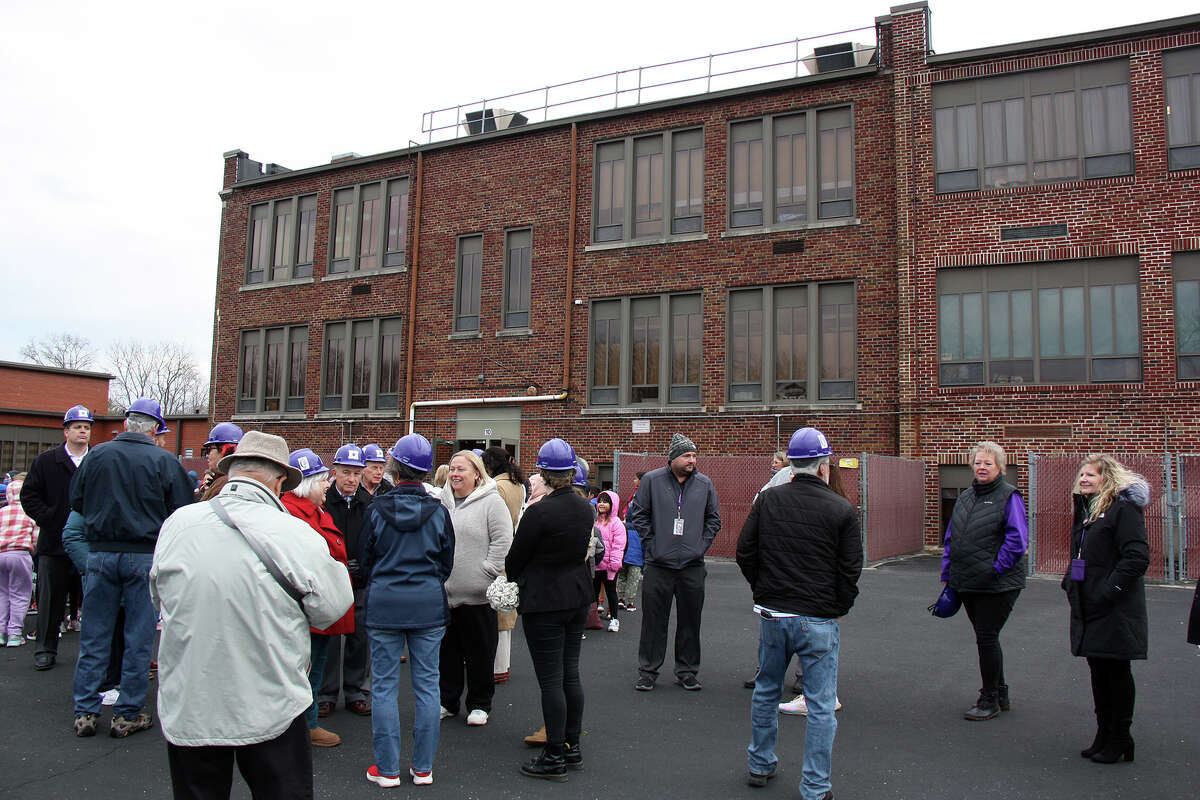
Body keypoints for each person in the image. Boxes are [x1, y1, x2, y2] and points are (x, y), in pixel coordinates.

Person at [151, 430, 354, 800]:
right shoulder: (297, 533)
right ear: (279, 480)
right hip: (271, 700)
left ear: (233, 471)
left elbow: (160, 596)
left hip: (191, 699)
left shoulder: (177, 524)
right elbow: (333, 606)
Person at [736, 427, 862, 798]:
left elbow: (746, 552)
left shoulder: (768, 501)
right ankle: (816, 785)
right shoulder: (842, 509)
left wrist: (764, 590)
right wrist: (838, 606)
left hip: (773, 615)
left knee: (765, 691)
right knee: (821, 706)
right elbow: (850, 569)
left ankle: (760, 763)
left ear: (791, 465)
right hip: (818, 619)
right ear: (824, 465)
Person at [70, 398, 194, 738]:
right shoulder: (164, 462)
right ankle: (127, 713)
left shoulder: (95, 456)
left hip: (100, 552)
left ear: (126, 424)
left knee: (94, 636)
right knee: (138, 637)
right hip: (143, 555)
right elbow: (182, 513)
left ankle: (86, 710)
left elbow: (77, 501)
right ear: (154, 428)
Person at [361, 434, 455, 788]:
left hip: (385, 605)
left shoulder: (376, 510)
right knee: (428, 686)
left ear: (395, 468)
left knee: (384, 687)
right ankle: (423, 768)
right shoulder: (439, 512)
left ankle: (386, 770)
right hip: (427, 605)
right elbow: (447, 561)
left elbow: (366, 559)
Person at [506, 438, 594, 781]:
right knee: (570, 674)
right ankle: (572, 746)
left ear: (542, 472)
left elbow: (515, 561)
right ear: (571, 472)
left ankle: (554, 754)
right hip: (575, 596)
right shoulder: (584, 508)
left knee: (551, 681)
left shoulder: (539, 512)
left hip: (544, 601)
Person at [1063, 454, 1150, 764]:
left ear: (1108, 478)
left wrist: (1107, 591)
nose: (1084, 479)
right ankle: (1104, 733)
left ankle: (1121, 737)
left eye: (1092, 475)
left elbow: (1136, 558)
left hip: (1114, 607)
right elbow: (1082, 555)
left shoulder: (1123, 510)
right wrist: (1070, 583)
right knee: (1098, 670)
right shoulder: (1088, 511)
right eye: (1082, 474)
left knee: (1116, 670)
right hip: (1089, 605)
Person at [941, 441, 1028, 721]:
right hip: (966, 581)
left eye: (988, 463)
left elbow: (1017, 540)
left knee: (986, 638)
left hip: (997, 583)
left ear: (1000, 467)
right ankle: (999, 692)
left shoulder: (1008, 496)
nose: (981, 467)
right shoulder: (966, 496)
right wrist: (948, 573)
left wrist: (996, 568)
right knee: (986, 637)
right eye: (978, 462)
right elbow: (952, 537)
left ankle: (989, 698)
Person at [629, 433, 721, 691]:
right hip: (659, 565)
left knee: (691, 621)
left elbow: (714, 519)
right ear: (672, 458)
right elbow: (639, 514)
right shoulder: (651, 481)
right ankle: (648, 670)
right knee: (653, 621)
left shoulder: (704, 483)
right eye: (686, 455)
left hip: (691, 566)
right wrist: (652, 545)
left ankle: (687, 671)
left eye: (694, 455)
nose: (692, 460)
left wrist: (700, 546)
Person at [279, 449, 354, 749]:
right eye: (323, 479)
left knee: (314, 666)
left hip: (318, 607)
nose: (328, 485)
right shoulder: (295, 514)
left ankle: (305, 724)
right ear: (308, 482)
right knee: (306, 670)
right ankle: (304, 726)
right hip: (308, 610)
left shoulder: (311, 510)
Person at [438, 450, 512, 726]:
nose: (455, 474)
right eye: (452, 469)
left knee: (480, 652)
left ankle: (480, 703)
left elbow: (503, 540)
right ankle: (448, 700)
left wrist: (488, 570)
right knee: (448, 653)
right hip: (446, 594)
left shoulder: (491, 502)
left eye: (462, 469)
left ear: (477, 473)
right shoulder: (442, 501)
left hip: (479, 595)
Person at [20, 404, 93, 671]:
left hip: (89, 544)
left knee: (94, 601)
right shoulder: (46, 462)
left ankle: (94, 655)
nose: (83, 431)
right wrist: (49, 518)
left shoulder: (98, 460)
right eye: (77, 427)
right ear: (66, 432)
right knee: (51, 601)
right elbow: (29, 496)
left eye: (86, 427)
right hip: (54, 544)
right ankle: (45, 649)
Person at [778, 461, 851, 714]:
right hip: (826, 592)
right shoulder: (840, 505)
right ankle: (823, 695)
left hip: (811, 591)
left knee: (814, 644)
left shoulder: (822, 506)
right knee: (824, 646)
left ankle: (818, 697)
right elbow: (849, 561)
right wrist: (842, 601)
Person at [320, 444, 374, 718]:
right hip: (330, 578)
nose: (351, 479)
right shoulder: (324, 502)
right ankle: (325, 693)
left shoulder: (368, 503)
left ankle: (356, 691)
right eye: (346, 473)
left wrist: (363, 566)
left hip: (360, 579)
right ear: (335, 472)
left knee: (359, 636)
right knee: (329, 637)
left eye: (356, 473)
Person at [482, 447, 526, 685]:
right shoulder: (518, 484)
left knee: (495, 607)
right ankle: (503, 665)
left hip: (496, 545)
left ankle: (496, 666)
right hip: (511, 544)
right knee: (506, 605)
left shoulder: (495, 487)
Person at [0, 476, 38, 647]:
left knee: (2, 593)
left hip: (1, 554)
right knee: (20, 594)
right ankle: (15, 634)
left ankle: (1, 633)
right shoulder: (29, 512)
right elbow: (36, 538)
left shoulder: (1, 511)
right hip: (20, 554)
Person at [593, 490, 626, 632]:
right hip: (596, 565)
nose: (601, 504)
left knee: (611, 592)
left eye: (606, 501)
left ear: (613, 505)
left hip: (609, 567)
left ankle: (614, 619)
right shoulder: (595, 521)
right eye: (600, 501)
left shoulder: (616, 523)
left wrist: (614, 564)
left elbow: (618, 545)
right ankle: (592, 618)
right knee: (593, 592)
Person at [197, 422, 244, 501]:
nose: (207, 455)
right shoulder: (222, 481)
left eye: (209, 449)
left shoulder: (225, 485)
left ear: (226, 450)